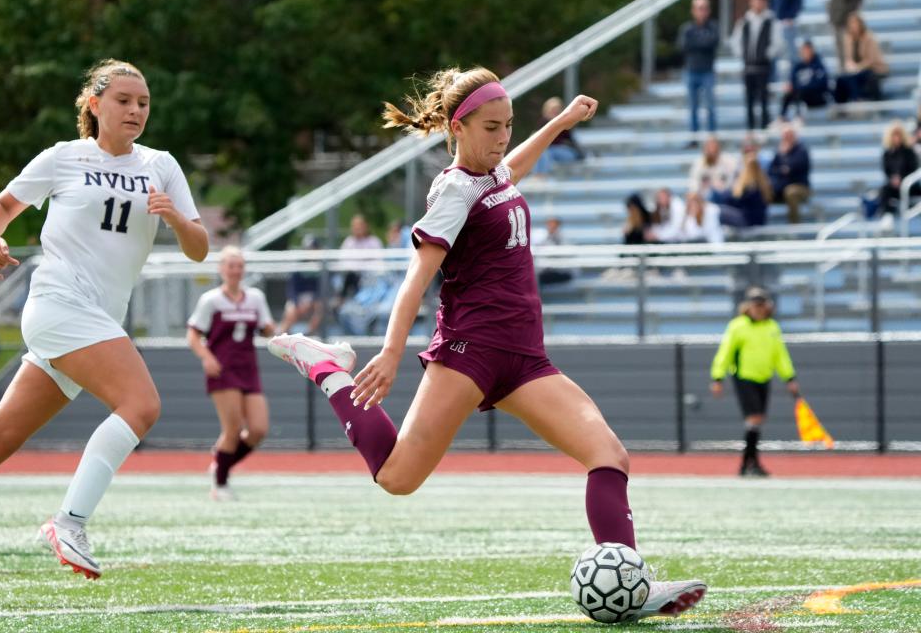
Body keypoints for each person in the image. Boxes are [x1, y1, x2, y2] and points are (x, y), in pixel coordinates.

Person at [267, 66, 707, 620]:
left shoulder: (493, 174)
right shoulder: (454, 189)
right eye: (492, 128)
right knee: (398, 478)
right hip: (468, 352)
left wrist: (560, 123)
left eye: (508, 126)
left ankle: (632, 590)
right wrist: (393, 350)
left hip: (525, 358)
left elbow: (513, 168)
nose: (502, 138)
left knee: (608, 456)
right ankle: (330, 370)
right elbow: (415, 277)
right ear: (460, 127)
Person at [0, 59, 208, 579]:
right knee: (141, 404)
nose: (136, 110)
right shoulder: (63, 157)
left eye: (143, 102)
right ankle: (69, 521)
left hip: (96, 319)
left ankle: (66, 520)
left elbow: (200, 249)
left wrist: (178, 220)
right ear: (94, 105)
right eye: (123, 100)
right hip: (56, 305)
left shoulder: (160, 165)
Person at [187, 246, 275, 501]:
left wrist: (279, 327)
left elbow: (267, 329)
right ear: (221, 269)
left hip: (248, 368)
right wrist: (206, 357)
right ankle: (221, 484)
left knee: (259, 429)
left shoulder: (255, 297)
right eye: (230, 266)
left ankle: (219, 464)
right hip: (222, 370)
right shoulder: (211, 300)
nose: (236, 271)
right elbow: (193, 335)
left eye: (239, 266)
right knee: (233, 429)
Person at [711, 287, 799, 477]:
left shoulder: (772, 327)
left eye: (761, 305)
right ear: (748, 306)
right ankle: (749, 463)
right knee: (754, 418)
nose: (758, 309)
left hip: (764, 377)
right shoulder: (738, 326)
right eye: (755, 305)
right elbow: (725, 352)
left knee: (758, 421)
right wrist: (718, 377)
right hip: (744, 377)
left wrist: (789, 378)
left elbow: (780, 355)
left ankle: (749, 464)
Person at [731, 0, 785, 131]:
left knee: (764, 98)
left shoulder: (771, 21)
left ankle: (764, 126)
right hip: (748, 66)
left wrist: (765, 55)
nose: (758, 3)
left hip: (763, 66)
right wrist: (743, 55)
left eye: (761, 0)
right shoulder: (744, 21)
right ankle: (750, 127)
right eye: (756, 0)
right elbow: (735, 41)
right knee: (749, 99)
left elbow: (777, 43)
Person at [677, 0, 720, 139]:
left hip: (707, 71)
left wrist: (695, 42)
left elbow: (711, 43)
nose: (701, 12)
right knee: (693, 107)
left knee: (710, 106)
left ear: (708, 10)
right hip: (691, 70)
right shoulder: (686, 28)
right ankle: (694, 137)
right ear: (693, 11)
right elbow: (683, 46)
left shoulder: (713, 27)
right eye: (698, 9)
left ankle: (712, 139)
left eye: (704, 9)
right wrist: (701, 42)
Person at [834, 13, 888, 104]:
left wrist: (858, 67)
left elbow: (872, 59)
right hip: (856, 70)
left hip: (872, 68)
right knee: (841, 79)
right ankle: (841, 109)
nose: (853, 26)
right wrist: (849, 64)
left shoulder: (869, 37)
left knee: (857, 78)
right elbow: (848, 57)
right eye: (851, 24)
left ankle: (858, 101)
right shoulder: (848, 38)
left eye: (855, 23)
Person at [278, 234, 323, 335]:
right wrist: (297, 302)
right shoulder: (299, 265)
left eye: (313, 249)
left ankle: (308, 335)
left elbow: (323, 289)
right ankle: (281, 336)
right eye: (308, 249)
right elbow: (291, 289)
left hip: (315, 299)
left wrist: (311, 301)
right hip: (299, 298)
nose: (311, 252)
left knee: (320, 308)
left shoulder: (323, 265)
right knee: (290, 310)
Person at [873, 121, 920, 218]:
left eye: (898, 134)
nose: (896, 137)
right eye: (894, 134)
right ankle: (887, 216)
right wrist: (893, 179)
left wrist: (902, 178)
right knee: (884, 190)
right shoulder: (887, 153)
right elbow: (887, 171)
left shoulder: (909, 151)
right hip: (895, 186)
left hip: (909, 186)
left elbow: (913, 168)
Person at [336, 213, 383, 307]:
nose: (357, 229)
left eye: (359, 226)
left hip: (368, 277)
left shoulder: (374, 241)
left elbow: (378, 261)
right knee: (347, 276)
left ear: (365, 227)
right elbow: (342, 261)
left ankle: (342, 301)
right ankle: (344, 302)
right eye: (355, 226)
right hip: (352, 276)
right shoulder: (348, 242)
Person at [767, 125, 811, 223]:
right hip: (780, 185)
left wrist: (784, 164)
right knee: (763, 189)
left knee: (791, 192)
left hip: (800, 186)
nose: (786, 138)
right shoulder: (779, 151)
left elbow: (794, 168)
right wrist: (782, 169)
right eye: (784, 135)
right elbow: (771, 170)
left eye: (789, 135)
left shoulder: (801, 151)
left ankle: (794, 224)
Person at [779, 40, 831, 121]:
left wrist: (802, 87)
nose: (805, 53)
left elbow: (821, 83)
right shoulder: (798, 66)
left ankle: (799, 117)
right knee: (788, 94)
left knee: (800, 93)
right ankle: (782, 117)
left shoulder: (818, 65)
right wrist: (793, 87)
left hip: (816, 95)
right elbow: (792, 80)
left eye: (807, 51)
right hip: (800, 93)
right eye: (804, 51)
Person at [531, 97, 585, 175]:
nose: (555, 111)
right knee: (543, 153)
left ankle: (540, 176)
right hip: (548, 151)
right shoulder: (543, 122)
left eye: (557, 109)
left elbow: (570, 140)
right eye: (553, 109)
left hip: (563, 150)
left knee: (545, 153)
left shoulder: (565, 122)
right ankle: (539, 176)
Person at [729, 151, 774, 226]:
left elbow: (737, 202)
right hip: (759, 219)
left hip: (747, 220)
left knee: (717, 211)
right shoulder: (764, 183)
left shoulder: (749, 187)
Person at [688, 136, 739, 202]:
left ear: (718, 148)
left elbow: (735, 179)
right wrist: (695, 191)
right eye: (709, 148)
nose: (711, 151)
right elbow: (693, 182)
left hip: (725, 195)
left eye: (713, 147)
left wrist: (723, 188)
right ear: (704, 149)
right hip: (705, 198)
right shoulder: (699, 163)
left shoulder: (729, 161)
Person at [535, 217, 573, 286]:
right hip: (547, 271)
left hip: (561, 272)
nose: (551, 228)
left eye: (553, 226)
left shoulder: (563, 239)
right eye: (549, 225)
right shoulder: (544, 239)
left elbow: (565, 257)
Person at [828, 0, 862, 66]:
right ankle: (844, 75)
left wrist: (843, 15)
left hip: (846, 24)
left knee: (850, 54)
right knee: (841, 55)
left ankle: (850, 75)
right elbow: (835, 1)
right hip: (837, 23)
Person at [769, 0, 803, 64]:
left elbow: (797, 3)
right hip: (776, 24)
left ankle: (793, 72)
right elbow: (771, 3)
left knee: (792, 52)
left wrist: (790, 16)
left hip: (788, 24)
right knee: (774, 51)